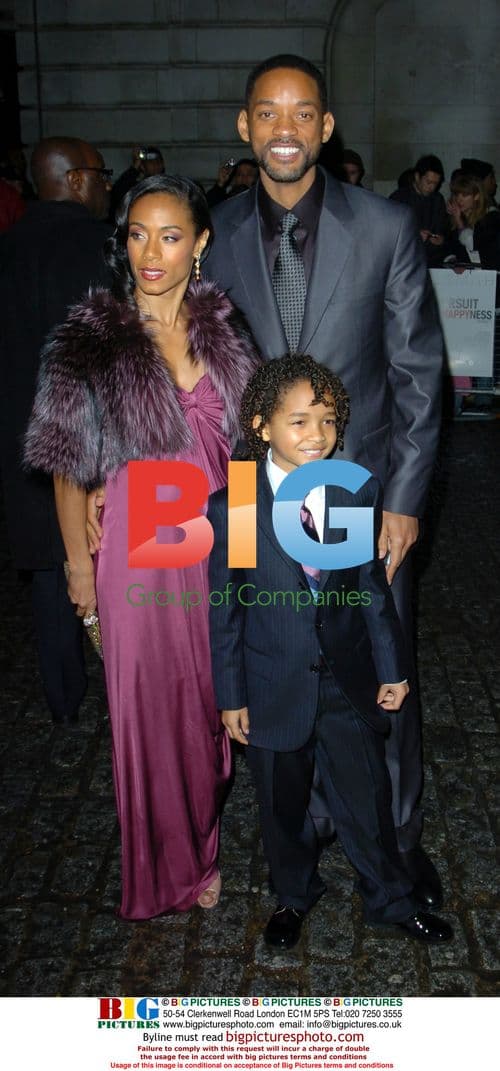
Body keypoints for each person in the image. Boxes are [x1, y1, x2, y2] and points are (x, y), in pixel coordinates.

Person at [204, 54, 444, 907]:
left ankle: (394, 850)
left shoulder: (382, 228)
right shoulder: (216, 236)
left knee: (380, 671)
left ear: (325, 127)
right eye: (267, 112)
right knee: (282, 670)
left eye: (302, 113)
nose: (284, 129)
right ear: (244, 127)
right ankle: (299, 854)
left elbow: (418, 372)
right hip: (260, 500)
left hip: (361, 493)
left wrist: (407, 500)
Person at [24, 174, 259, 919]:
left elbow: (249, 456)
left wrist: (252, 553)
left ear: (201, 243)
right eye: (137, 233)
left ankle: (203, 826)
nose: (151, 252)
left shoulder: (224, 331)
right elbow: (68, 467)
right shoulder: (90, 338)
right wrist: (77, 569)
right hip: (136, 555)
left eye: (170, 235)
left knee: (213, 712)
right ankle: (174, 868)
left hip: (218, 551)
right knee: (149, 719)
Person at [208, 355, 453, 948]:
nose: (315, 434)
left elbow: (370, 589)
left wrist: (392, 667)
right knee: (282, 806)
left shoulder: (344, 492)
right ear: (262, 426)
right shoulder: (237, 503)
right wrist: (232, 695)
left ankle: (390, 897)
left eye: (326, 420)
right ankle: (292, 895)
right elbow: (226, 610)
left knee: (367, 797)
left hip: (347, 681)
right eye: (297, 422)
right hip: (272, 686)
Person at [0, 135, 112, 725]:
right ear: (74, 179)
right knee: (105, 558)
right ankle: (127, 683)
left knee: (49, 570)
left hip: (20, 439)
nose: (106, 184)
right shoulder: (96, 246)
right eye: (100, 173)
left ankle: (63, 699)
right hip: (87, 442)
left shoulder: (8, 246)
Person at [390, 154, 448, 265]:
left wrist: (441, 239)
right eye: (428, 182)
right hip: (405, 260)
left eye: (435, 184)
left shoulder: (437, 199)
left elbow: (442, 229)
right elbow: (390, 233)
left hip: (431, 260)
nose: (432, 187)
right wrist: (414, 235)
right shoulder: (399, 198)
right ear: (417, 177)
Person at [445, 170, 500, 270]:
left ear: (477, 196)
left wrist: (460, 225)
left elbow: (475, 248)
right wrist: (453, 261)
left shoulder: (491, 218)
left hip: (488, 278)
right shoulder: (456, 217)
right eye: (457, 195)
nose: (459, 199)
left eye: (465, 195)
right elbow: (450, 249)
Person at [109, 145, 165, 221]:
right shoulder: (138, 188)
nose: (155, 165)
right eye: (150, 162)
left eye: (158, 161)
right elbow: (117, 193)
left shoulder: (169, 186)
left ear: (162, 164)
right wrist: (135, 167)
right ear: (142, 166)